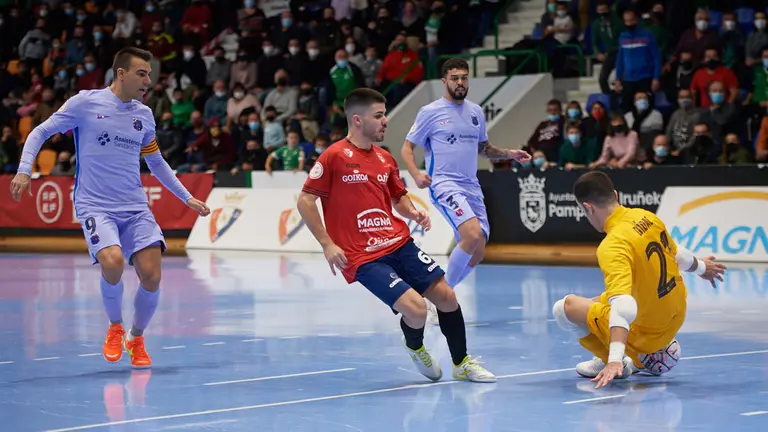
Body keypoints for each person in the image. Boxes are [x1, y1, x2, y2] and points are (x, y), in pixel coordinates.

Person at [9, 47, 211, 369]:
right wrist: (24, 170)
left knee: (152, 276)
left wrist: (186, 197)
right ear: (121, 73)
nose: (148, 81)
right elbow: (40, 131)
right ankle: (115, 326)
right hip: (95, 205)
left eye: (149, 75)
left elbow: (156, 162)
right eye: (141, 74)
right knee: (113, 262)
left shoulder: (144, 115)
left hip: (135, 206)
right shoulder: (85, 103)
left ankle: (136, 337)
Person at [297, 88, 496, 383]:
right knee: (416, 310)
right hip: (362, 256)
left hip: (398, 243)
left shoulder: (385, 158)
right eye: (378, 115)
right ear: (357, 119)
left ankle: (462, 363)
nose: (385, 121)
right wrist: (327, 244)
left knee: (446, 296)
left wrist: (413, 212)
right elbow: (305, 201)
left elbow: (397, 197)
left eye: (385, 114)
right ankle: (415, 346)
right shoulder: (334, 156)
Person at [551, 171, 726, 388]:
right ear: (615, 195)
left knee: (564, 308)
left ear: (588, 208)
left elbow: (623, 305)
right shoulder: (646, 217)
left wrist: (614, 360)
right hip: (676, 316)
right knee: (597, 301)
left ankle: (624, 360)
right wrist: (701, 267)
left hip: (649, 333)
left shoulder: (613, 245)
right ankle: (646, 353)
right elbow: (675, 253)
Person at [400, 57, 530, 298]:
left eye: (464, 78)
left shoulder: (476, 112)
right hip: (444, 183)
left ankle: (437, 295)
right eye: (454, 78)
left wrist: (509, 154)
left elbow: (484, 148)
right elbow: (407, 148)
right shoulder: (430, 112)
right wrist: (416, 174)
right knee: (471, 235)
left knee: (478, 250)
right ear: (444, 81)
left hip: (471, 185)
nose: (460, 82)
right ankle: (443, 297)